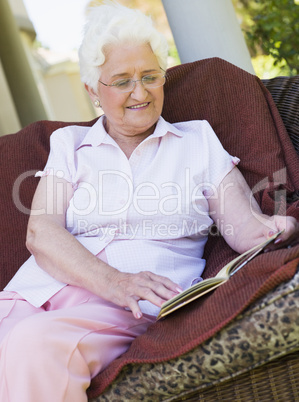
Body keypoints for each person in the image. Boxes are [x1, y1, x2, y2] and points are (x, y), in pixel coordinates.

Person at [0, 1, 298, 401]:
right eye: (121, 81)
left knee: (36, 347)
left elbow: (244, 226)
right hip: (36, 292)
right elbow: (42, 232)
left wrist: (277, 228)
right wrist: (113, 281)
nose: (139, 92)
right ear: (93, 90)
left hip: (131, 307)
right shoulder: (69, 144)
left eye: (150, 76)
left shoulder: (197, 142)